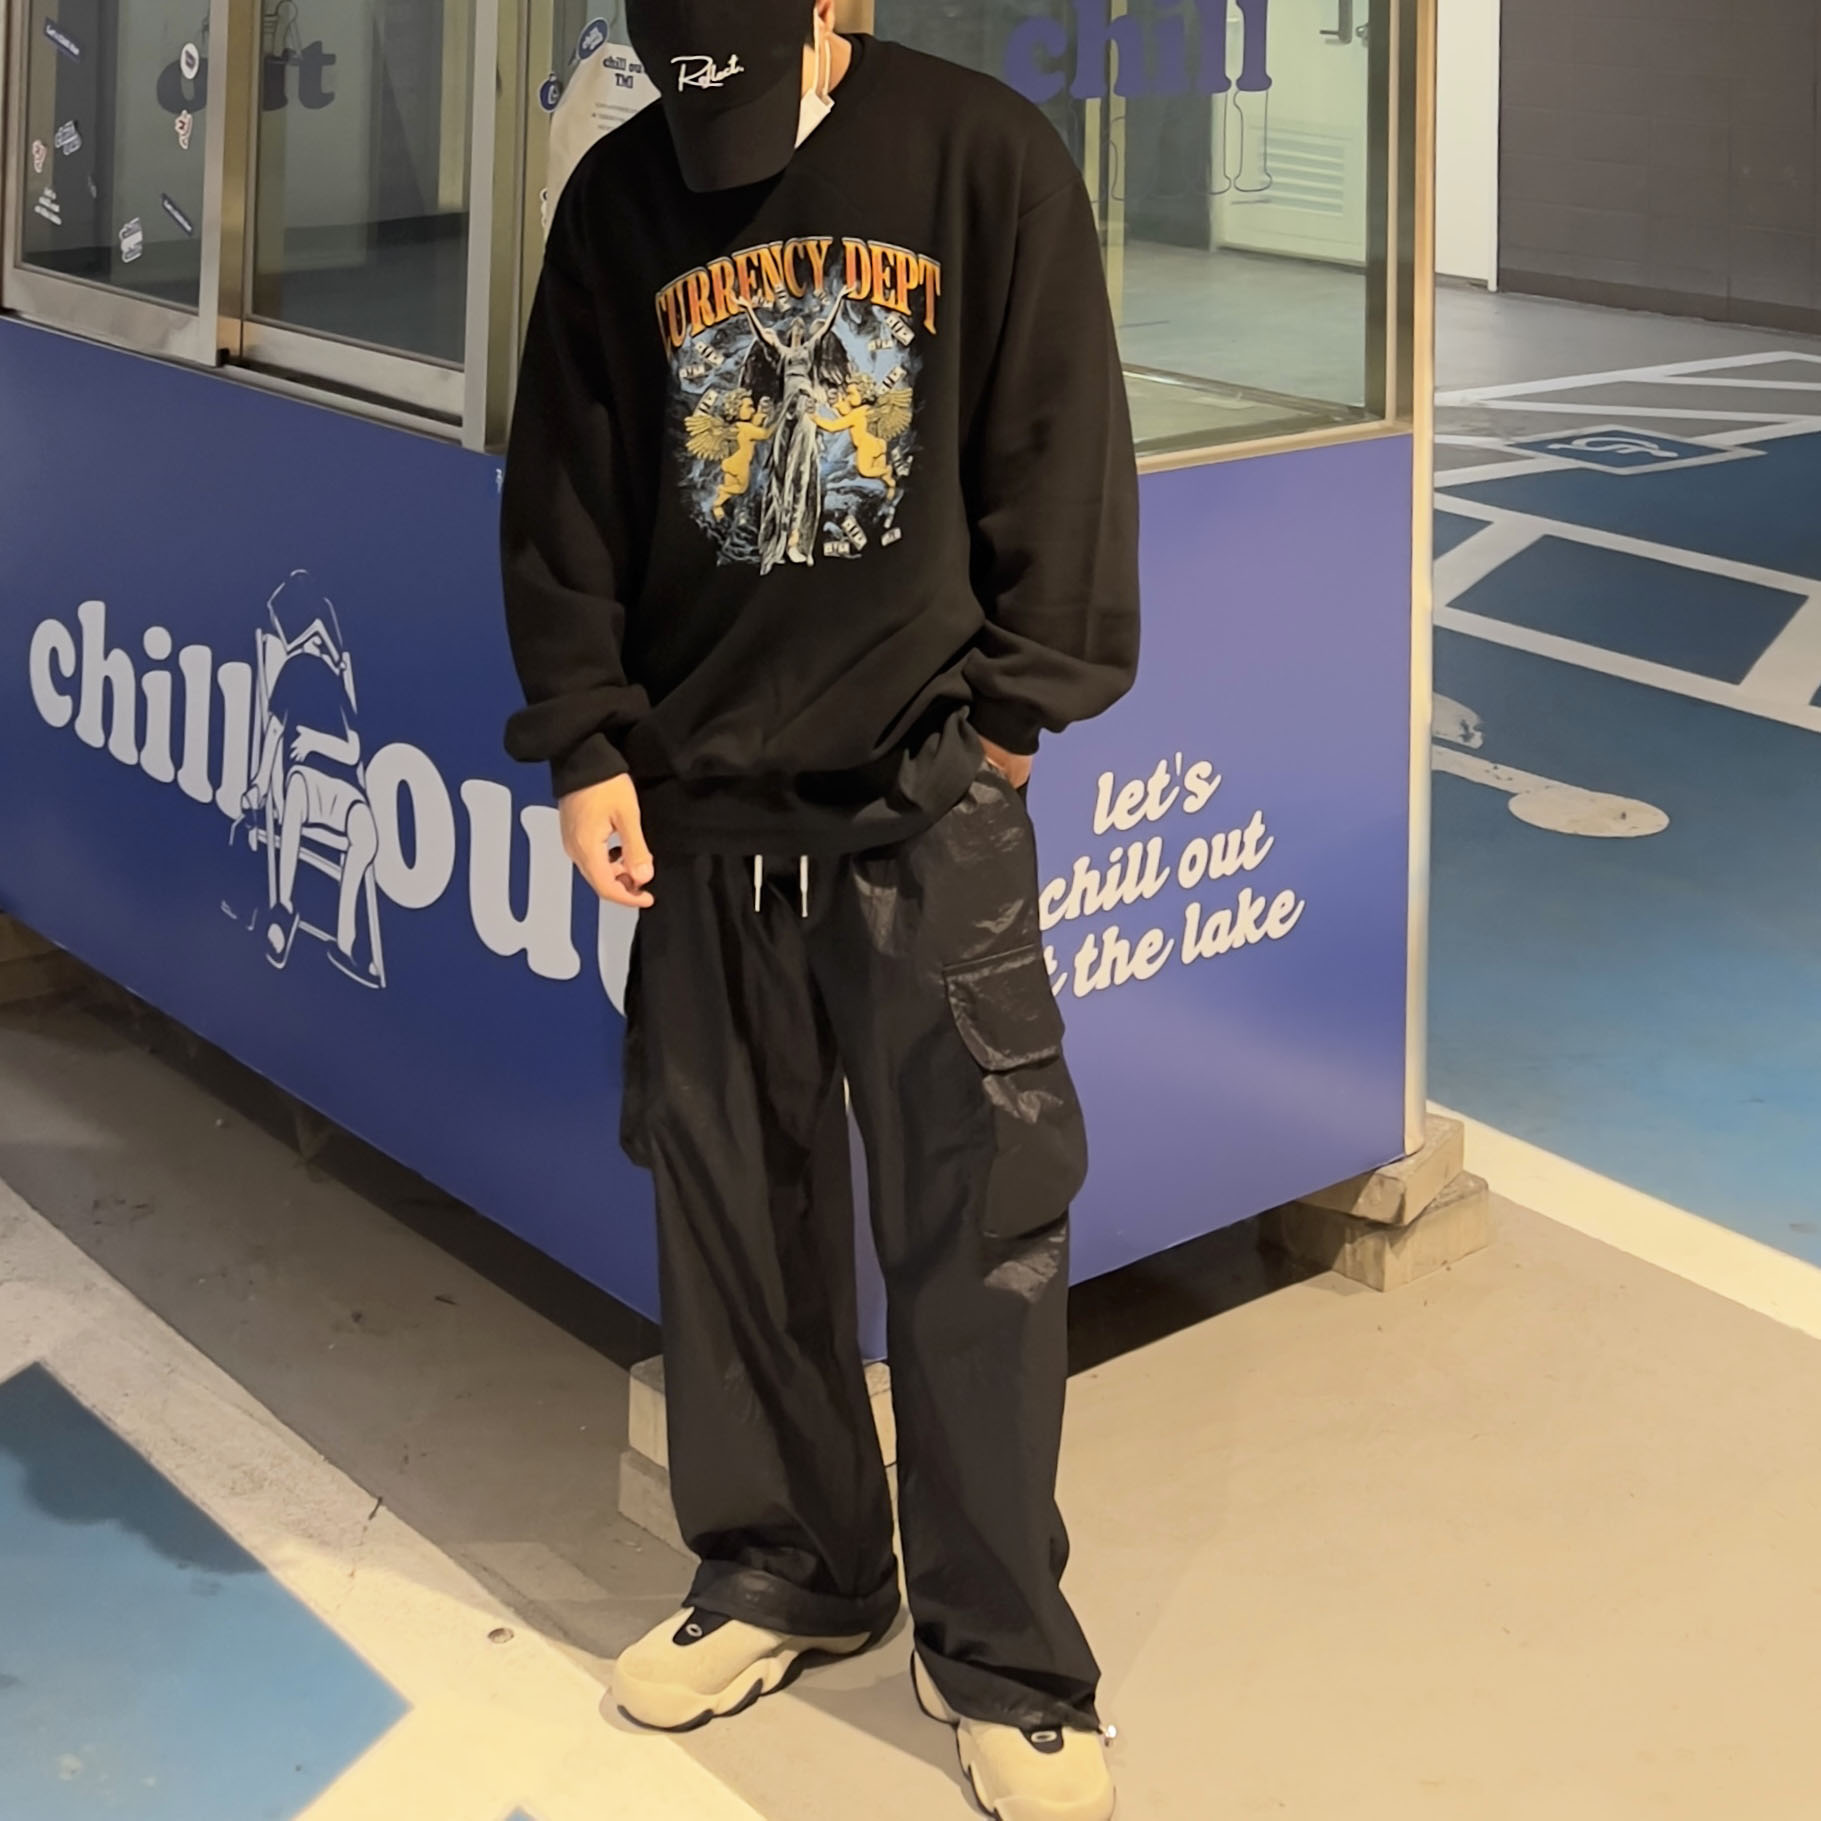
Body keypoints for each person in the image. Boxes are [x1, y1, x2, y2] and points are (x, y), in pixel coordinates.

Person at [499, 4, 1139, 1817]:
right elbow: (567, 492)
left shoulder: (982, 158)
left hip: (923, 811)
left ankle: (1002, 1649)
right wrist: (585, 741)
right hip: (700, 817)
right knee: (730, 1207)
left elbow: (1062, 449)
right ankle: (789, 1564)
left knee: (979, 1222)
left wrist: (1012, 718)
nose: (722, 141)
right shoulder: (621, 196)